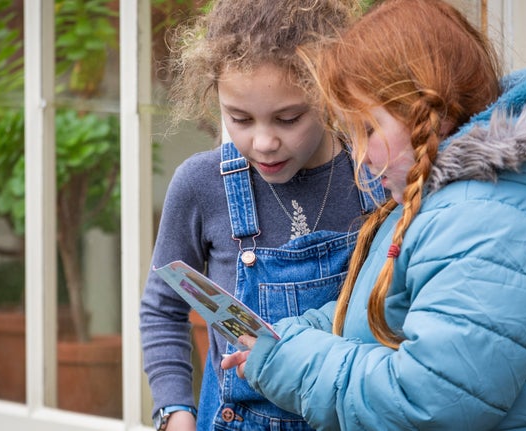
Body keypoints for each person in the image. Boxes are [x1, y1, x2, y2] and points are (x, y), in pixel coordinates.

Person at [221, 0, 526, 429]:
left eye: (369, 129)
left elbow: (427, 404)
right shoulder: (446, 201)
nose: (360, 157)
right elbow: (381, 317)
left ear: (432, 114)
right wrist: (286, 336)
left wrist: (289, 361)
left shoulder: (486, 220)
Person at [139, 1, 386, 430]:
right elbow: (162, 308)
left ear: (330, 91)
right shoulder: (201, 184)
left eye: (289, 118)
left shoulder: (377, 173)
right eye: (239, 118)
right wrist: (174, 411)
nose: (264, 142)